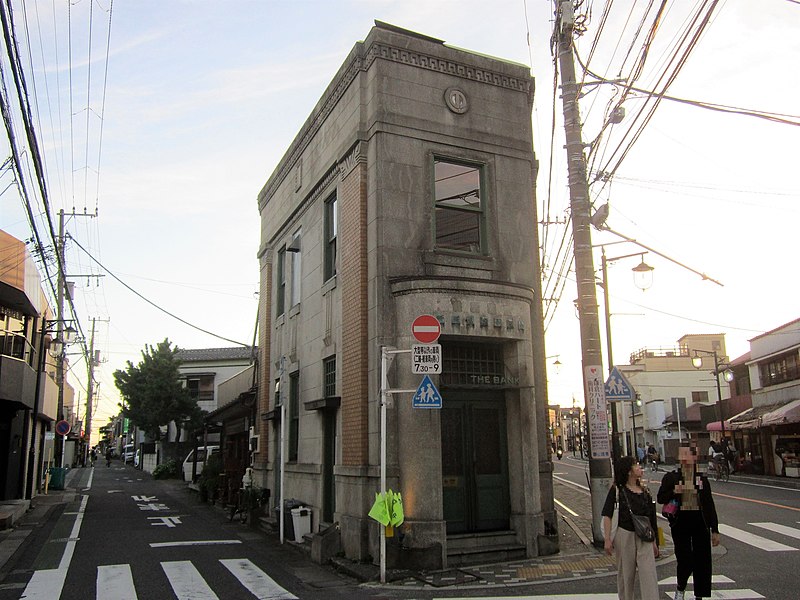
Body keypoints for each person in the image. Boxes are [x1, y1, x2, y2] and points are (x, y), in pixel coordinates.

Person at [657, 440, 720, 600]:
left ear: (695, 457)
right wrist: (674, 491)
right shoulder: (671, 477)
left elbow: (708, 504)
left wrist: (715, 529)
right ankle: (680, 588)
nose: (686, 458)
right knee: (685, 559)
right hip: (680, 523)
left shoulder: (701, 480)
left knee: (703, 560)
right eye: (683, 454)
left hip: (700, 523)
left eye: (689, 455)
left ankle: (700, 594)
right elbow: (660, 498)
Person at [602, 455, 660, 600]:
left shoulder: (645, 491)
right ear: (628, 471)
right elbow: (607, 515)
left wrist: (655, 542)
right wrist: (607, 539)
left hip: (645, 536)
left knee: (649, 575)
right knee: (626, 576)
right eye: (635, 465)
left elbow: (652, 519)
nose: (639, 467)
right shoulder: (617, 491)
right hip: (624, 535)